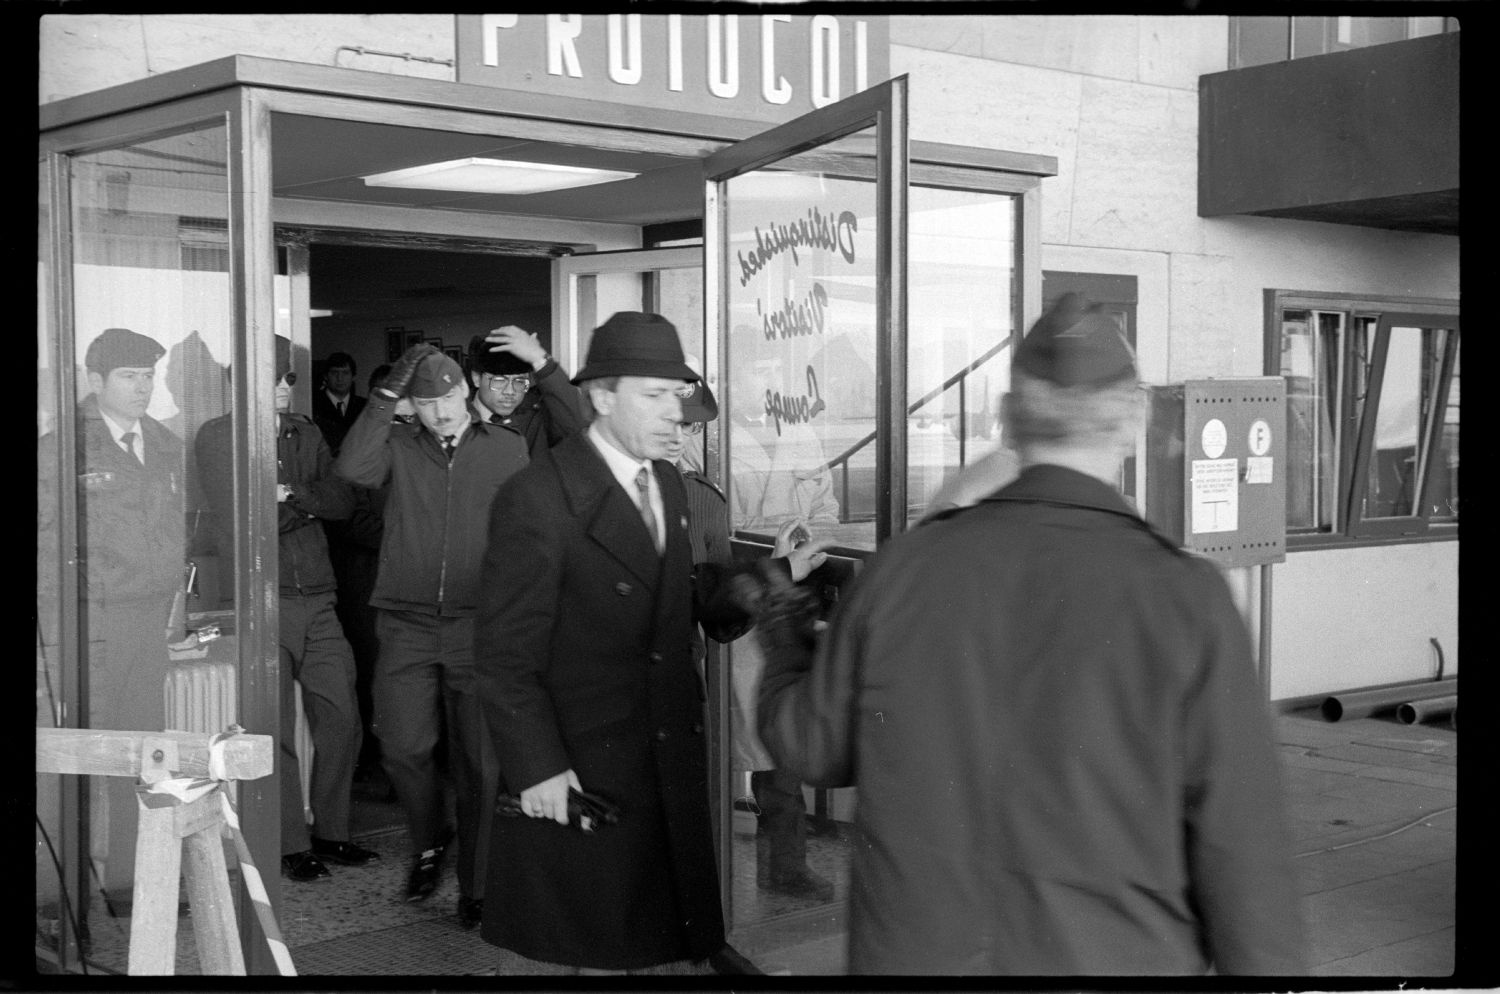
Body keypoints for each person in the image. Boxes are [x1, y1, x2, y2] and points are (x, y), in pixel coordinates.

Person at [754, 294, 1307, 975]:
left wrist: (784, 640)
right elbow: (1244, 852)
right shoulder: (1184, 597)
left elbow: (812, 746)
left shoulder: (908, 567)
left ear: (1009, 420)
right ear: (1133, 418)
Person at [473, 311, 829, 974]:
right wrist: (539, 769)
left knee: (659, 940)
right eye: (654, 395)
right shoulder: (538, 498)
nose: (676, 412)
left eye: (678, 395)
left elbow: (679, 601)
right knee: (587, 946)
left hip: (663, 756)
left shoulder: (664, 481)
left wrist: (772, 578)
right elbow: (502, 658)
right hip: (582, 771)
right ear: (602, 397)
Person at [335, 343, 528, 927]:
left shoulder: (509, 448)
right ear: (410, 407)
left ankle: (478, 884)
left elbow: (528, 532)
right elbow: (351, 469)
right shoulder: (395, 446)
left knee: (479, 763)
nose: (441, 412)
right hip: (406, 623)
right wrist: (385, 397)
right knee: (401, 746)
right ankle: (428, 838)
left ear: (466, 392)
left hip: (479, 626)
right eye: (425, 402)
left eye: (447, 398)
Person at [196, 334, 378, 881]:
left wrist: (287, 495)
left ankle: (333, 831)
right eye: (272, 376)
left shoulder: (306, 430)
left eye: (289, 378)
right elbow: (243, 524)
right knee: (272, 729)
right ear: (239, 380)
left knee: (342, 717)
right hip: (265, 602)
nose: (282, 386)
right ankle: (288, 843)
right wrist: (302, 503)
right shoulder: (218, 437)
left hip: (319, 597)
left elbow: (343, 502)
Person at [669, 380, 834, 905]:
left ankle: (783, 868)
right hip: (728, 616)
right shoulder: (694, 445)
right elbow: (710, 548)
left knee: (780, 753)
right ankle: (703, 883)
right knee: (717, 757)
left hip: (774, 607)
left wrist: (799, 546)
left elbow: (826, 508)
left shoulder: (801, 436)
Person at [38, 327, 187, 899]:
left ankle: (130, 885)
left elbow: (174, 530)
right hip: (84, 629)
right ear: (96, 381)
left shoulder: (164, 442)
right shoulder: (63, 450)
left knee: (142, 758)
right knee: (72, 768)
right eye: (130, 376)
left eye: (149, 375)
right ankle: (57, 902)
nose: (143, 387)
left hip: (146, 625)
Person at [466, 325, 587, 458]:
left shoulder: (536, 419)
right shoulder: (455, 416)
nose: (510, 391)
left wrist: (539, 359)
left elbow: (579, 426)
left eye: (519, 381)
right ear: (477, 378)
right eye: (499, 381)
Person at [312, 351, 366, 454]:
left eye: (345, 373)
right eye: (334, 372)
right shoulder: (312, 403)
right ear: (326, 376)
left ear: (353, 377)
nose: (340, 378)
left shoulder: (364, 405)